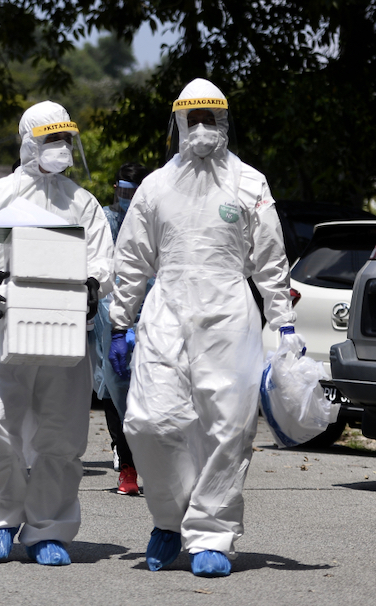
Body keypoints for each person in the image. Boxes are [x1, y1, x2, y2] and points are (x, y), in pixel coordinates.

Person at [107, 78, 299, 577]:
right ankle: (169, 518)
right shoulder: (155, 186)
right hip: (166, 309)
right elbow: (130, 260)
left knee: (228, 428)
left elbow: (272, 262)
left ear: (225, 122)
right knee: (150, 421)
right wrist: (119, 321)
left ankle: (212, 533)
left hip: (230, 314)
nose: (201, 127)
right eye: (192, 118)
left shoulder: (249, 183)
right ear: (177, 122)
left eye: (210, 118)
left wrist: (284, 324)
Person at [0, 101, 113, 565]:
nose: (58, 149)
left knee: (61, 434)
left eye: (64, 140)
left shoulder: (81, 202)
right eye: (49, 139)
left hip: (61, 330)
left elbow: (103, 257)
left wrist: (96, 283)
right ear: (28, 142)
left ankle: (48, 529)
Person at [91, 162, 151, 497]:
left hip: (152, 311)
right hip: (110, 312)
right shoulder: (103, 219)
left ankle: (154, 462)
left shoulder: (156, 216)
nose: (127, 199)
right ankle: (126, 463)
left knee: (154, 388)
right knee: (116, 387)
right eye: (123, 191)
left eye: (135, 193)